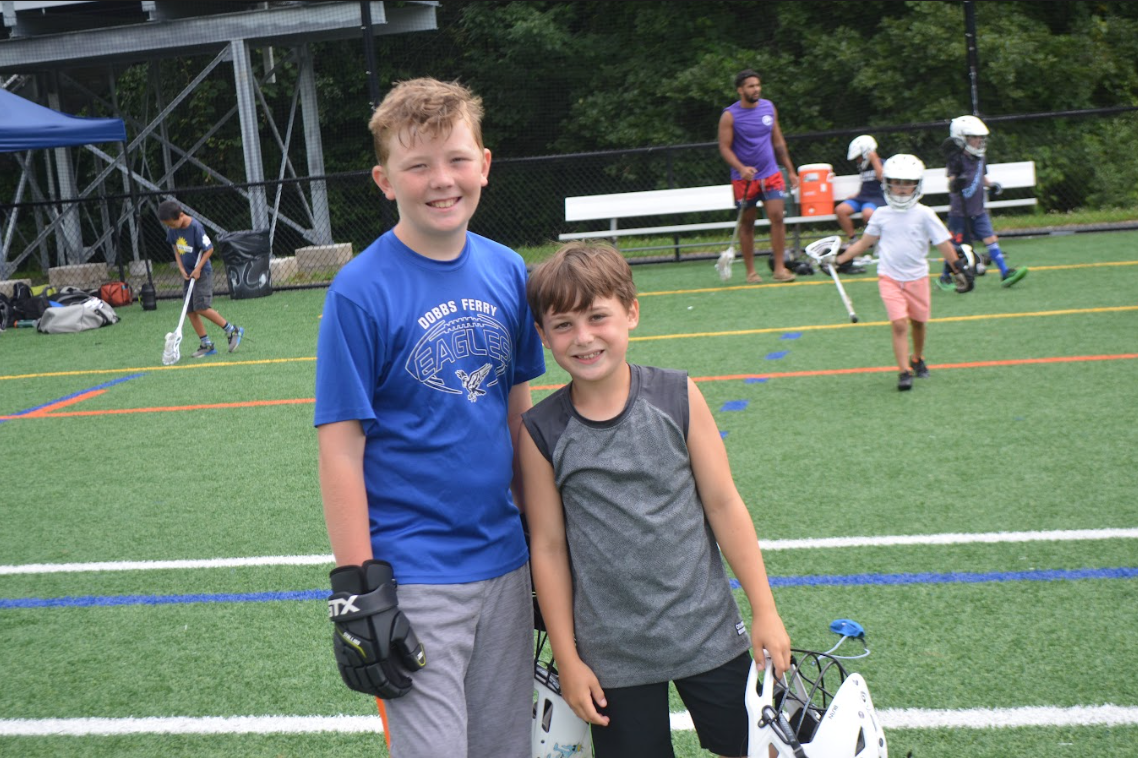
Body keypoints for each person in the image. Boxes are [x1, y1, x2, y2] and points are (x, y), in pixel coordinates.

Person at [313, 78, 546, 758]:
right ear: (386, 180)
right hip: (414, 575)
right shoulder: (359, 290)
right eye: (418, 166)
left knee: (507, 747)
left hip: (505, 565)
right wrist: (359, 591)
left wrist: (541, 543)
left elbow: (517, 419)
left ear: (485, 165)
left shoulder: (507, 270)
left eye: (456, 159)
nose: (440, 181)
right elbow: (340, 448)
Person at [520, 241, 792, 758]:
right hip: (611, 655)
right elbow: (549, 548)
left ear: (632, 313)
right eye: (563, 325)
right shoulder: (541, 432)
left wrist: (765, 609)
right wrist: (568, 657)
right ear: (542, 335)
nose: (583, 338)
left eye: (598, 316)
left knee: (758, 748)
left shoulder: (677, 395)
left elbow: (723, 505)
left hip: (708, 631)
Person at [830, 154, 972, 391]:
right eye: (896, 182)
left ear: (917, 185)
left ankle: (917, 358)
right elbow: (864, 242)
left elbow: (943, 243)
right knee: (899, 324)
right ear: (887, 183)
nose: (902, 188)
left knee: (918, 322)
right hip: (890, 278)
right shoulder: (881, 214)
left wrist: (958, 268)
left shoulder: (924, 213)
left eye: (908, 183)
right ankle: (903, 371)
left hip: (917, 277)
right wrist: (840, 260)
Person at [718, 69, 799, 284]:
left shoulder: (768, 107)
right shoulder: (730, 115)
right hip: (743, 179)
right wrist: (741, 168)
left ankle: (779, 268)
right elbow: (724, 148)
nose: (756, 89)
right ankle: (751, 272)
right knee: (748, 224)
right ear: (740, 90)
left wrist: (790, 170)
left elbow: (778, 142)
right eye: (751, 86)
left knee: (778, 217)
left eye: (757, 85)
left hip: (771, 173)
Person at [936, 115, 1028, 290]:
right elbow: (951, 181)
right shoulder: (955, 159)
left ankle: (1005, 272)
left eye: (980, 138)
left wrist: (991, 185)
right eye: (975, 137)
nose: (979, 141)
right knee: (955, 247)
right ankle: (944, 277)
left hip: (978, 210)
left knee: (990, 239)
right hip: (959, 212)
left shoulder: (980, 158)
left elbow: (982, 178)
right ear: (962, 138)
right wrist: (956, 183)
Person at [157, 199, 243, 357]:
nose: (170, 227)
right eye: (168, 225)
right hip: (188, 274)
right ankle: (206, 344)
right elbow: (176, 248)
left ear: (181, 215)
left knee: (201, 307)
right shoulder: (172, 229)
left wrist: (198, 269)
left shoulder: (195, 227)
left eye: (172, 224)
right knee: (190, 310)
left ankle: (232, 330)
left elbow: (209, 249)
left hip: (202, 273)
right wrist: (181, 268)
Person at [835, 134, 885, 250]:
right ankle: (853, 240)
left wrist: (874, 159)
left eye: (859, 157)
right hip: (862, 197)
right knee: (840, 210)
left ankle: (876, 243)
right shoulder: (863, 167)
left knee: (868, 214)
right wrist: (856, 195)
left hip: (876, 198)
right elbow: (866, 183)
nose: (857, 160)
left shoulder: (881, 163)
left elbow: (882, 177)